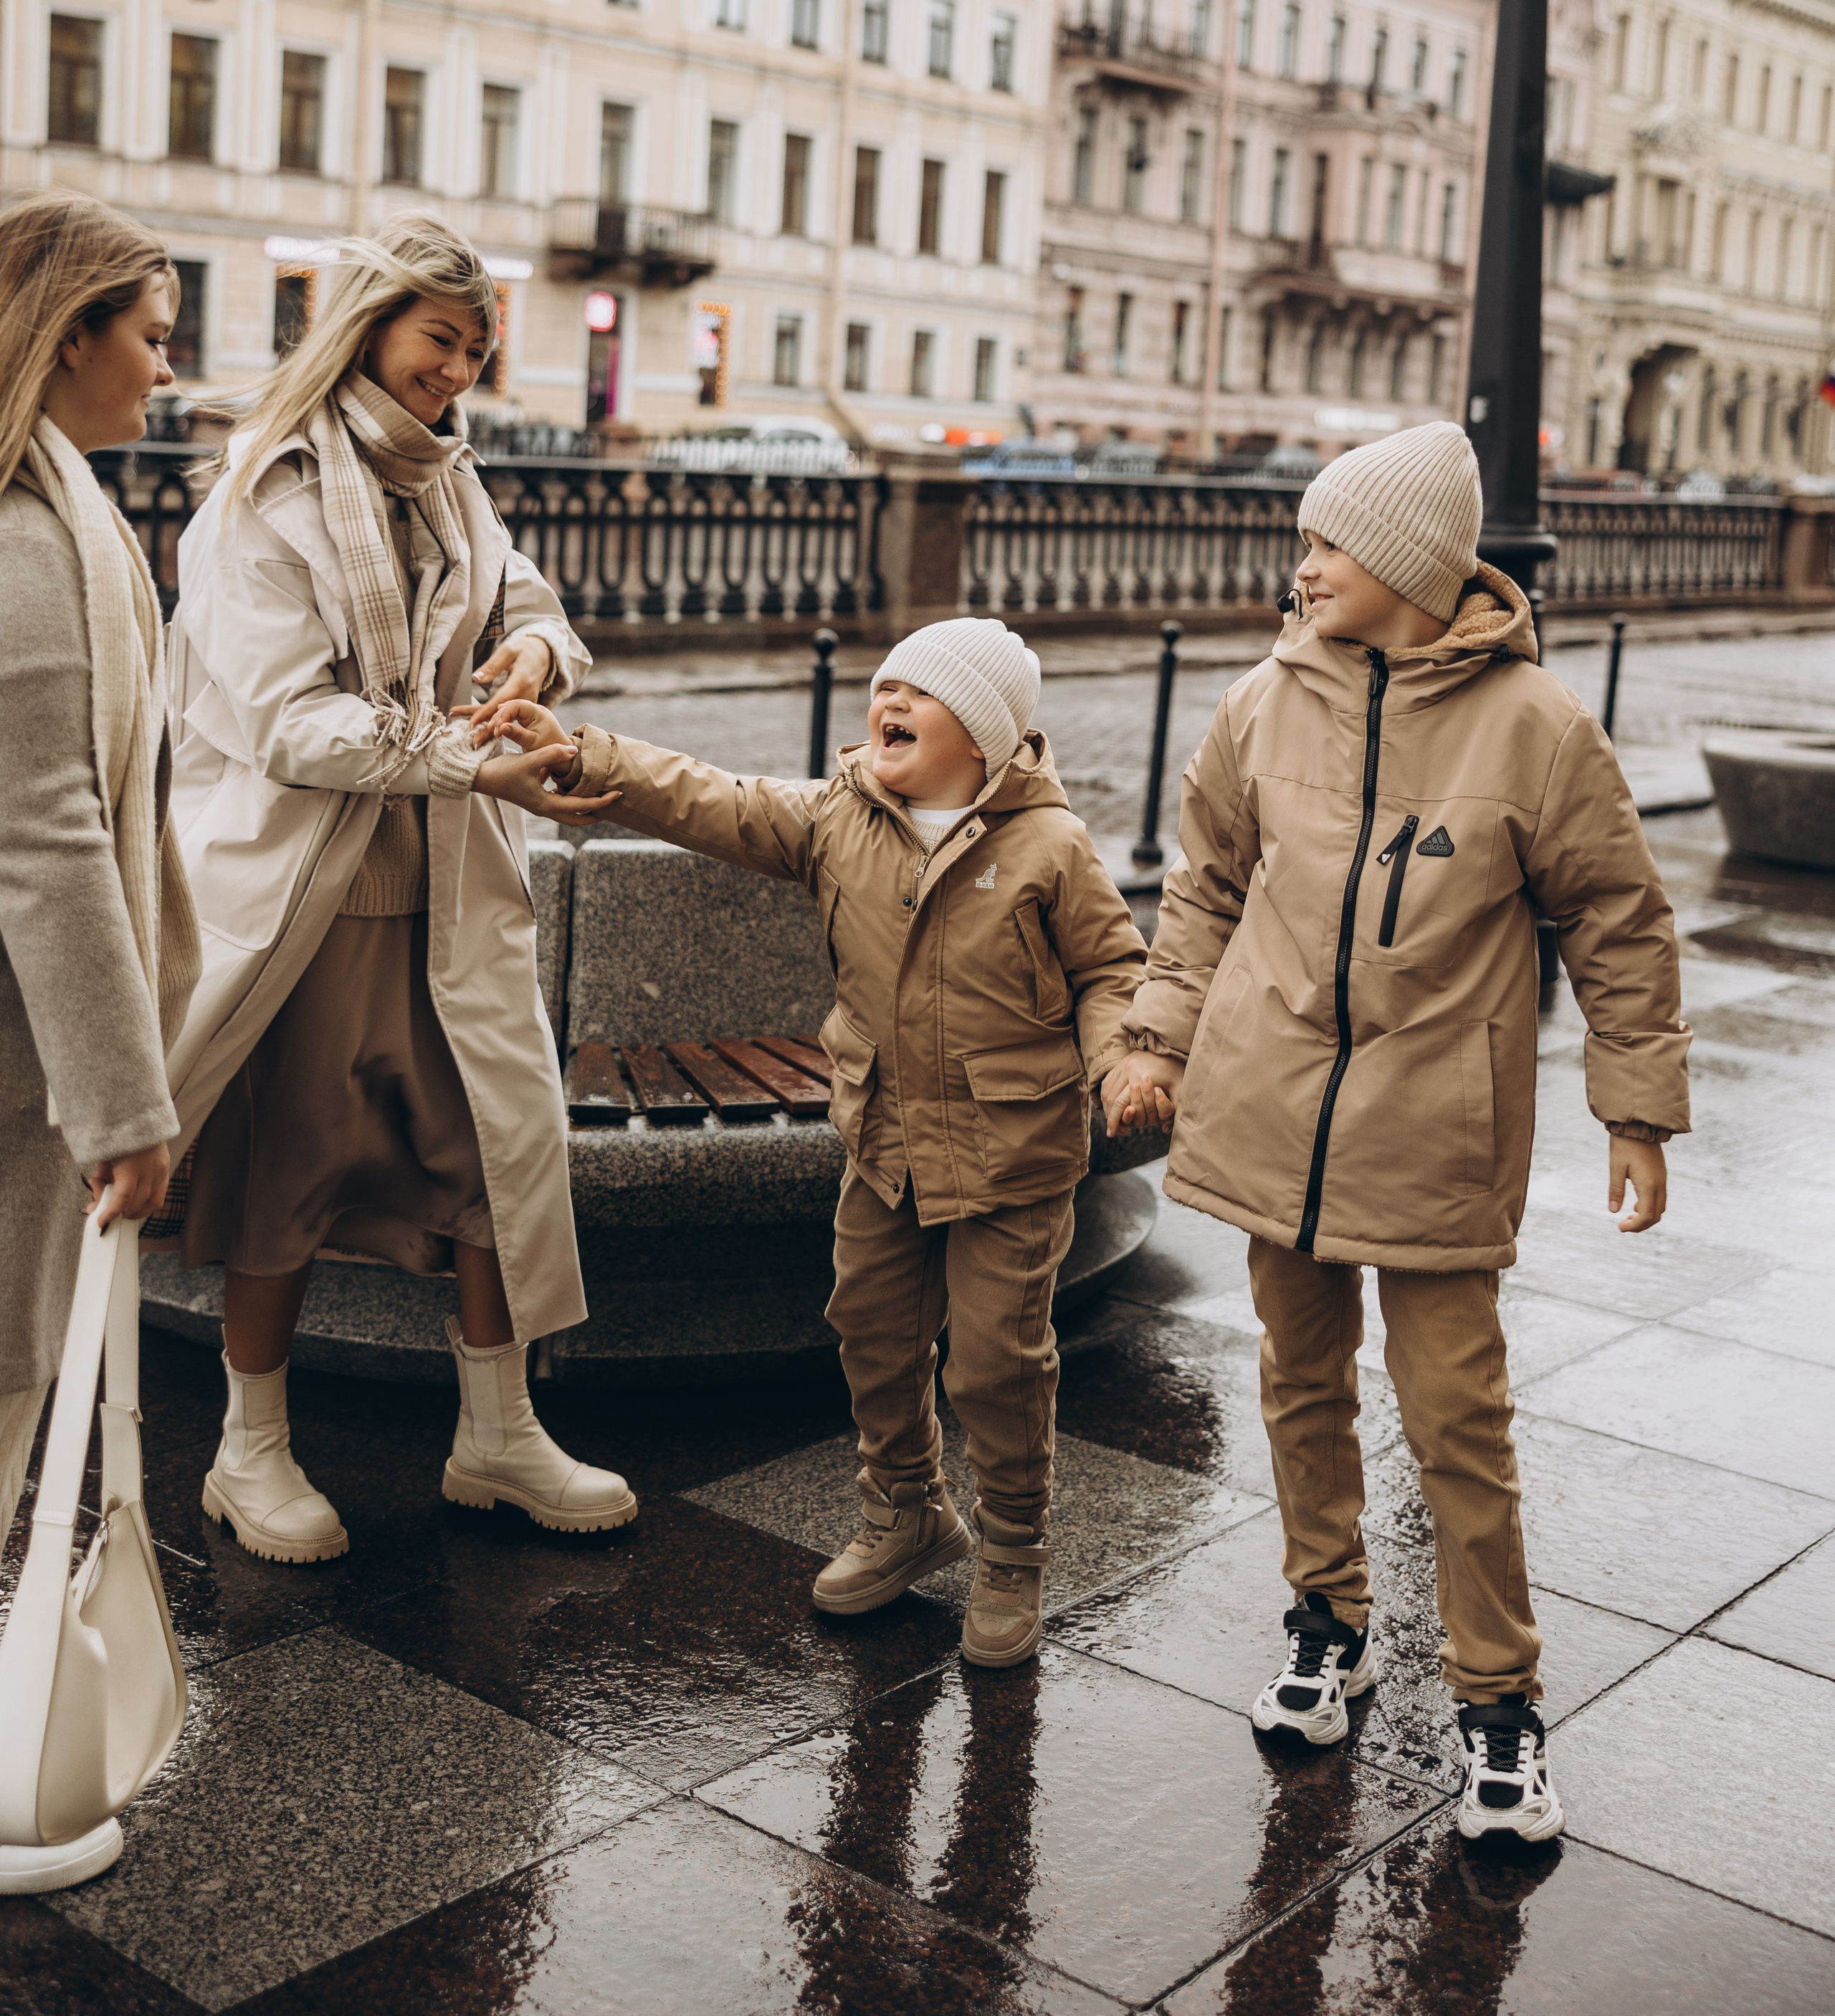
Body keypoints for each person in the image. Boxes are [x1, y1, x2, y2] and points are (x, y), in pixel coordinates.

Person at [1102, 422, 1689, 1842]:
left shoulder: (1536, 728)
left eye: (1325, 545)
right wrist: (1151, 1040)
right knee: (1299, 1387)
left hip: (1434, 1127)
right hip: (1267, 1107)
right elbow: (1201, 892)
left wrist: (1635, 1105)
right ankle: (1327, 1621)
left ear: (1408, 563)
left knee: (1455, 1425)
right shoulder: (1257, 703)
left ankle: (1497, 1704)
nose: (1299, 568)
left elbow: (1615, 918)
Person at [482, 616, 1145, 1667]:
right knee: (872, 1332)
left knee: (996, 1366)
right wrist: (586, 751)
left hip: (1011, 1156)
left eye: (915, 693)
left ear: (979, 734)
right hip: (883, 1138)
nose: (886, 701)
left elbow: (1114, 971)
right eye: (881, 685)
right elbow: (719, 800)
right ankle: (907, 1510)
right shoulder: (846, 816)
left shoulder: (1048, 846)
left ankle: (1013, 1553)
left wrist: (1125, 1061)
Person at [163, 212, 630, 1564]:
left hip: (444, 892)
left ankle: (497, 1435)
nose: (460, 374)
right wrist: (466, 764)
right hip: (306, 899)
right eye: (443, 341)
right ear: (369, 326)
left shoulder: (448, 475)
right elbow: (285, 726)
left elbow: (521, 594)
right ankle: (249, 1457)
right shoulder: (267, 491)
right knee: (288, 1170)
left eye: (478, 350)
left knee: (497, 1149)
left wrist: (537, 653)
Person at [0, 197, 198, 1564]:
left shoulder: (65, 508)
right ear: (73, 335)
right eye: (152, 335)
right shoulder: (28, 540)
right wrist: (123, 1106)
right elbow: (48, 830)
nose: (168, 370)